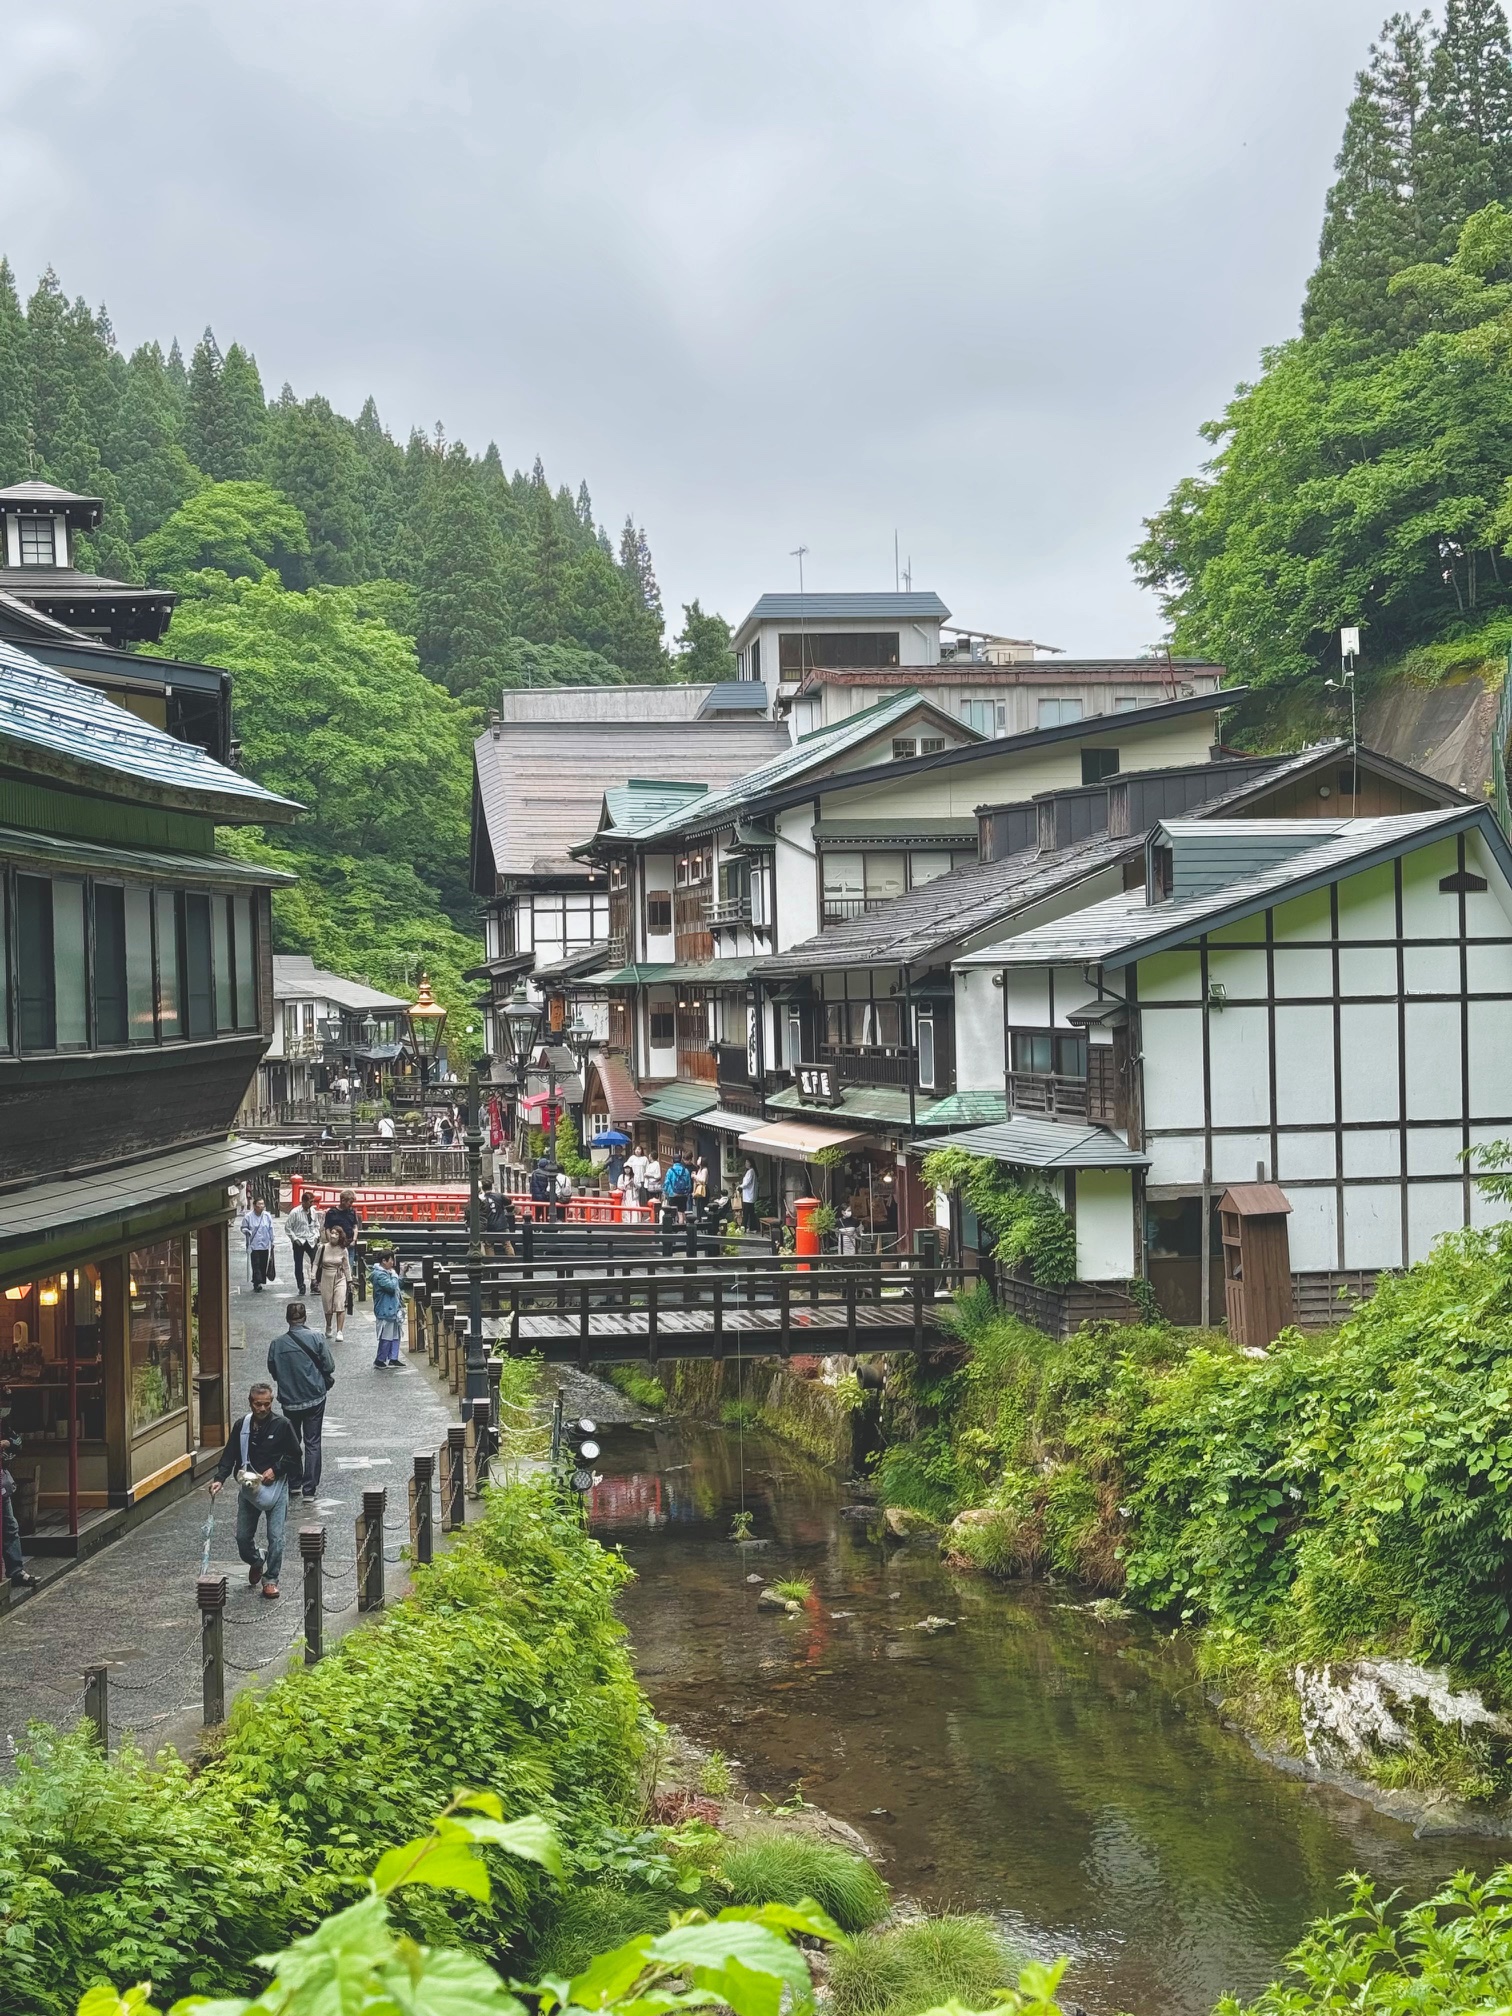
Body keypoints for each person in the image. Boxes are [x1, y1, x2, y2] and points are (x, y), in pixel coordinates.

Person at [211, 1383, 302, 1598]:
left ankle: (271, 1579)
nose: (262, 1409)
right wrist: (219, 1479)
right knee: (243, 1538)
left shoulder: (282, 1424)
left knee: (276, 1537)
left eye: (267, 1404)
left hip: (276, 1488)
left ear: (272, 1402)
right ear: (250, 1402)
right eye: (258, 1404)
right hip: (249, 1487)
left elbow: (295, 1456)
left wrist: (276, 1470)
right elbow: (230, 1454)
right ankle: (256, 1560)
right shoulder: (242, 1425)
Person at [265, 1299, 335, 1499]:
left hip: (290, 1399)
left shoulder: (277, 1344)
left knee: (292, 1441)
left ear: (287, 1319)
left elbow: (273, 1369)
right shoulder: (316, 1338)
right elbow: (329, 1366)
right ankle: (309, 1489)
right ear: (304, 1318)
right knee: (313, 1442)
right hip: (314, 1396)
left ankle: (294, 1482)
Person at [1, 1434, 36, 1591]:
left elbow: (17, 1441)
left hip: (2, 1481)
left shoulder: (4, 1425)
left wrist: (7, 1442)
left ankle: (15, 1571)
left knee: (10, 1526)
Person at [313, 1222, 354, 1339]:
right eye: (332, 1233)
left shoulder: (343, 1250)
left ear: (340, 1236)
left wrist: (349, 1280)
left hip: (340, 1277)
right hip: (326, 1276)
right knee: (328, 1305)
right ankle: (329, 1325)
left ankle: (340, 1331)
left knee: (340, 1303)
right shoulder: (323, 1248)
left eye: (336, 1233)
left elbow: (346, 1266)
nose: (333, 1235)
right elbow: (316, 1263)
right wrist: (312, 1277)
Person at [370, 1249, 405, 1367]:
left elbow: (397, 1284)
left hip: (393, 1308)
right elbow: (391, 1286)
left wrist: (402, 1274)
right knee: (386, 1335)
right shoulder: (379, 1275)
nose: (393, 1263)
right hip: (385, 1310)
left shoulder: (388, 1272)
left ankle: (393, 1358)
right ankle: (380, 1359)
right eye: (391, 1260)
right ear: (384, 1261)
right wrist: (395, 1275)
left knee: (395, 1334)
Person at [285, 1195, 321, 1296]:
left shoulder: (313, 1211)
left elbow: (316, 1225)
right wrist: (294, 1239)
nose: (312, 1204)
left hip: (311, 1239)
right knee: (298, 1265)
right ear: (304, 1202)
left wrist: (316, 1235)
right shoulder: (295, 1212)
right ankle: (301, 1285)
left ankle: (314, 1284)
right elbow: (288, 1227)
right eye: (310, 1202)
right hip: (299, 1240)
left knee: (316, 1262)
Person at [241, 1195, 276, 1291]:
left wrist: (272, 1240)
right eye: (259, 1204)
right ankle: (257, 1282)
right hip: (254, 1244)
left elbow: (270, 1228)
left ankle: (260, 1280)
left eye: (263, 1204)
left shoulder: (267, 1216)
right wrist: (247, 1231)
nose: (262, 1206)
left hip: (264, 1244)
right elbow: (243, 1228)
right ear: (254, 1206)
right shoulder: (248, 1217)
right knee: (256, 1264)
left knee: (263, 1264)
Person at [662, 1153, 693, 1222]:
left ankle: (674, 1228)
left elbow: (667, 1183)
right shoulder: (686, 1170)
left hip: (673, 1194)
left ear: (672, 1160)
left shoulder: (670, 1171)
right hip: (683, 1194)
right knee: (682, 1212)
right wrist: (687, 1192)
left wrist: (667, 1192)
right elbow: (689, 1183)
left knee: (672, 1213)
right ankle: (682, 1227)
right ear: (680, 1160)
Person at [740, 1159, 759, 1233]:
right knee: (750, 1213)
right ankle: (752, 1228)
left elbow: (746, 1183)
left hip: (748, 1197)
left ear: (750, 1163)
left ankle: (743, 1227)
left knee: (746, 1213)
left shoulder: (750, 1172)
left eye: (747, 1162)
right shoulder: (752, 1171)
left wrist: (740, 1186)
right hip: (750, 1196)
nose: (746, 1164)